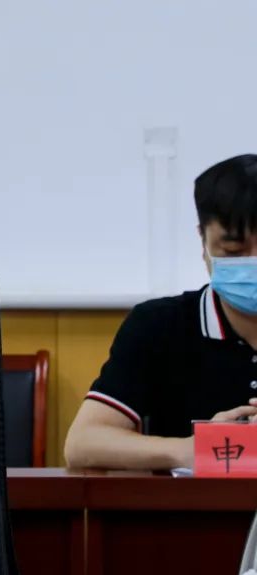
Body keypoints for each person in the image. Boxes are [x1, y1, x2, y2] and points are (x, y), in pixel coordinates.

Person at [66, 154, 257, 470]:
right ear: (203, 241)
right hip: (189, 503)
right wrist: (194, 450)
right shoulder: (158, 325)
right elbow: (83, 442)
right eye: (234, 251)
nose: (253, 262)